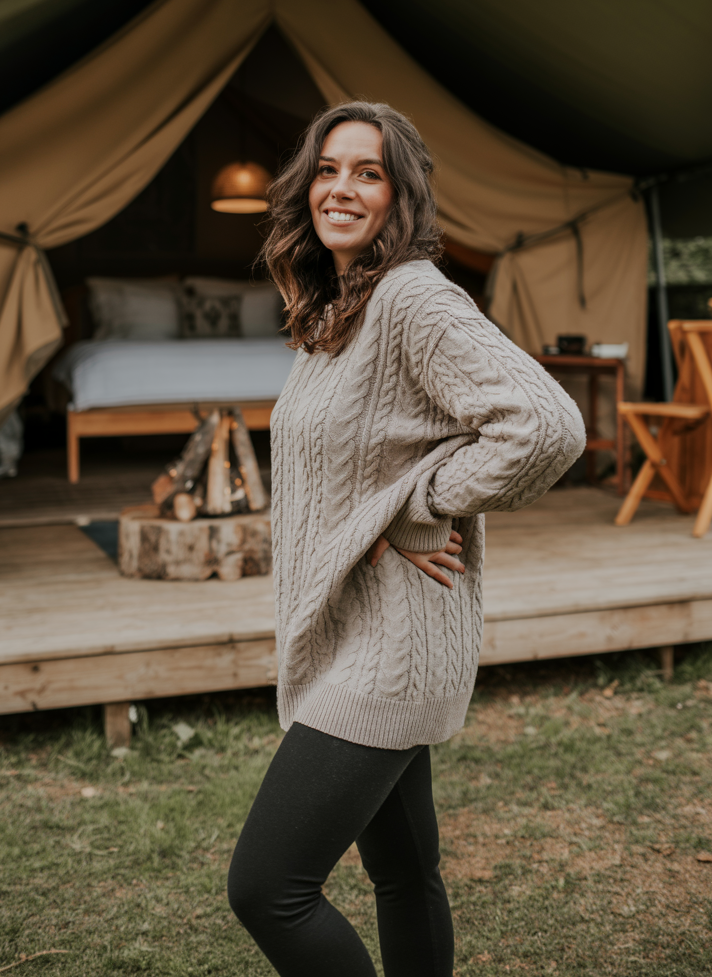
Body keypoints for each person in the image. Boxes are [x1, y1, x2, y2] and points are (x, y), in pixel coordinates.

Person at [227, 101, 585, 976]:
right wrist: (391, 508)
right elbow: (364, 465)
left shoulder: (412, 298)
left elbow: (545, 426)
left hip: (390, 646)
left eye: (369, 172)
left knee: (268, 888)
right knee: (405, 874)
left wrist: (424, 501)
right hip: (360, 628)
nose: (341, 188)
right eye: (328, 169)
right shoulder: (334, 307)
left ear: (403, 195)